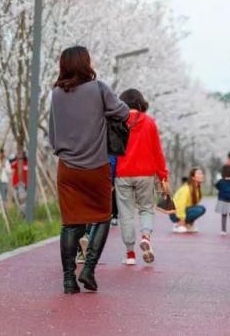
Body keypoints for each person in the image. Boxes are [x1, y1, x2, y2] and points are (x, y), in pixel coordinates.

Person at [49, 45, 129, 294]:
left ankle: (68, 280)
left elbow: (52, 133)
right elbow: (123, 111)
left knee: (70, 223)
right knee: (102, 216)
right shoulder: (99, 88)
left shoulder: (56, 94)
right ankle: (89, 269)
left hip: (67, 168)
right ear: (86, 63)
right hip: (96, 166)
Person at [114, 89, 169, 265]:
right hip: (146, 174)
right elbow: (157, 152)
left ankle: (130, 254)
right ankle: (145, 237)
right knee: (146, 208)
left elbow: (112, 151)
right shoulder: (150, 123)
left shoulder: (117, 122)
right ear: (140, 102)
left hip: (123, 174)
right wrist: (162, 176)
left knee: (126, 213)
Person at [169, 168, 206, 233]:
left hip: (183, 211)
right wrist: (182, 220)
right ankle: (178, 225)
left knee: (200, 208)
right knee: (200, 209)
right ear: (193, 177)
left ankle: (188, 225)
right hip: (175, 213)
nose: (202, 175)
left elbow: (193, 205)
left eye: (202, 174)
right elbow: (180, 205)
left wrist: (191, 222)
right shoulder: (186, 189)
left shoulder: (196, 189)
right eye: (199, 174)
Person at [215, 164, 230, 235]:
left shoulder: (220, 181)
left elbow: (216, 186)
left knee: (224, 216)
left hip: (223, 200)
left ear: (223, 172)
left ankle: (223, 231)